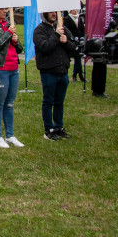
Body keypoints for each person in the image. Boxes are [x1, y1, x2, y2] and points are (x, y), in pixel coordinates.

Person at [0, 6, 24, 148]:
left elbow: (19, 49)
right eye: (3, 9)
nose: (6, 12)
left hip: (13, 68)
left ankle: (10, 134)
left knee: (10, 103)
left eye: (7, 9)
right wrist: (8, 34)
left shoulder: (7, 25)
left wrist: (15, 39)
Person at [34, 11, 77, 140]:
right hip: (49, 71)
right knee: (48, 101)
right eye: (51, 12)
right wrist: (56, 35)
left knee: (59, 102)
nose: (54, 14)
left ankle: (59, 127)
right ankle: (48, 129)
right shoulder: (39, 30)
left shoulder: (63, 28)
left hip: (63, 71)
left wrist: (65, 42)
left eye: (55, 12)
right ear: (45, 14)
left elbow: (73, 48)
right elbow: (45, 47)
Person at [63, 9, 85, 82]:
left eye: (75, 9)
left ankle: (77, 75)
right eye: (73, 10)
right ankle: (77, 75)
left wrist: (82, 37)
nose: (75, 11)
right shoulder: (67, 19)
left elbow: (82, 29)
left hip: (79, 41)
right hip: (71, 41)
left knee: (78, 58)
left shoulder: (79, 18)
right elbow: (66, 30)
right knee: (77, 58)